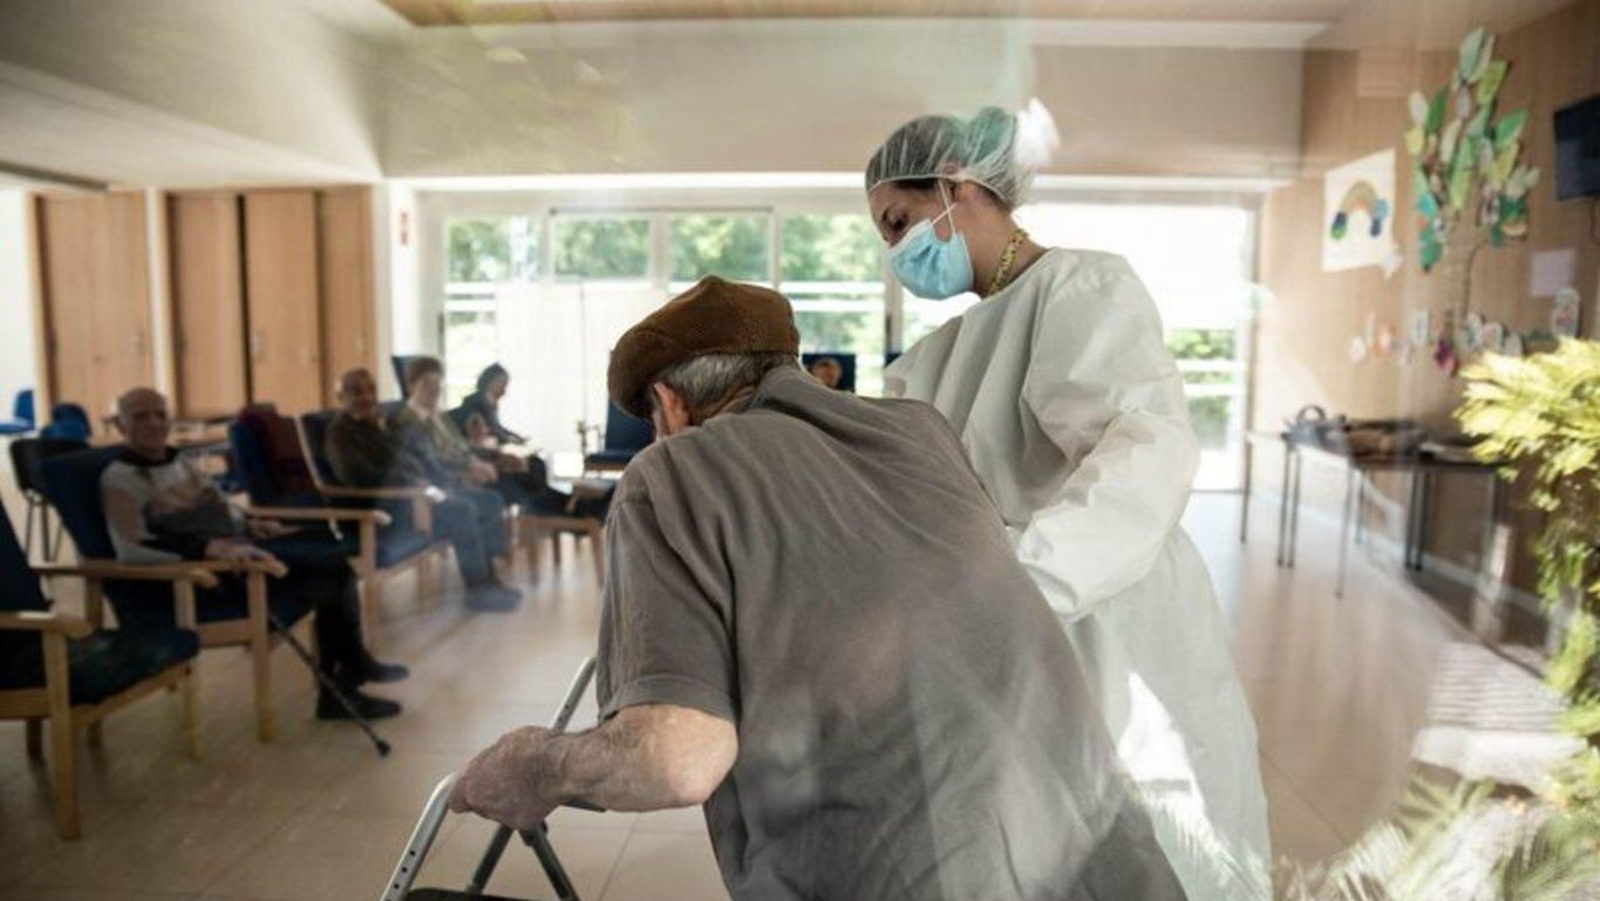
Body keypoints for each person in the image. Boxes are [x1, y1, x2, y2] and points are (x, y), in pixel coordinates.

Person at [448, 276, 1185, 901]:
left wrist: (534, 763)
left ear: (670, 405)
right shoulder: (919, 432)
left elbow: (677, 757)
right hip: (1109, 862)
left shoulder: (670, 472)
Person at [867, 107, 1271, 900]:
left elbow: (1143, 454)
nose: (896, 252)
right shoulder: (934, 356)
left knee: (1155, 834)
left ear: (957, 188)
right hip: (996, 623)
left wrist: (1021, 584)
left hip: (1108, 616)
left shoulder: (1082, 286)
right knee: (1026, 840)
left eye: (899, 221)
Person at [101, 388, 405, 720]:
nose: (155, 423)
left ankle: (349, 674)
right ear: (119, 424)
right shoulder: (119, 479)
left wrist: (252, 523)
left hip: (239, 554)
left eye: (160, 414)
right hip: (204, 579)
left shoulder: (179, 461)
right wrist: (208, 548)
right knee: (330, 575)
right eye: (141, 416)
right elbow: (132, 548)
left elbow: (218, 507)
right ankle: (342, 692)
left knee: (335, 564)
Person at [325, 368, 522, 612]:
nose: (366, 398)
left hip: (420, 497)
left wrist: (441, 481)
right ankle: (478, 589)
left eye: (370, 391)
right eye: (356, 392)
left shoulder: (382, 424)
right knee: (462, 511)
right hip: (388, 512)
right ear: (341, 397)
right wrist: (410, 485)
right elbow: (357, 476)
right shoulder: (341, 433)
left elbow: (419, 459)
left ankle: (488, 579)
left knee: (489, 500)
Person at [396, 357, 607, 522]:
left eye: (438, 383)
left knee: (531, 469)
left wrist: (493, 456)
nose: (434, 389)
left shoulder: (439, 416)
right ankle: (574, 510)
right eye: (427, 384)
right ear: (411, 385)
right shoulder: (407, 421)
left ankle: (574, 508)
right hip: (451, 482)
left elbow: (463, 447)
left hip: (473, 467)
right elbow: (435, 459)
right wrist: (471, 467)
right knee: (519, 482)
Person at [451, 362, 527, 446]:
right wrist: (510, 439)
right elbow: (492, 430)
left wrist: (513, 435)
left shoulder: (489, 401)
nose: (504, 389)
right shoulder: (478, 401)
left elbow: (497, 427)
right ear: (492, 382)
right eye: (503, 384)